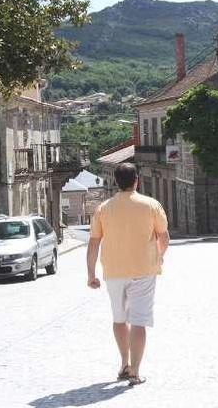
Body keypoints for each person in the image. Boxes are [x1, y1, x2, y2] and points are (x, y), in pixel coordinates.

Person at [86, 163, 170, 386]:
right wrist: (159, 257)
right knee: (139, 321)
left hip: (114, 270)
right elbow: (163, 236)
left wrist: (91, 273)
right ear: (137, 180)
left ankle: (124, 363)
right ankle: (135, 371)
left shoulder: (104, 208)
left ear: (115, 182)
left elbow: (94, 242)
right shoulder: (151, 205)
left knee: (120, 319)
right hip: (144, 269)